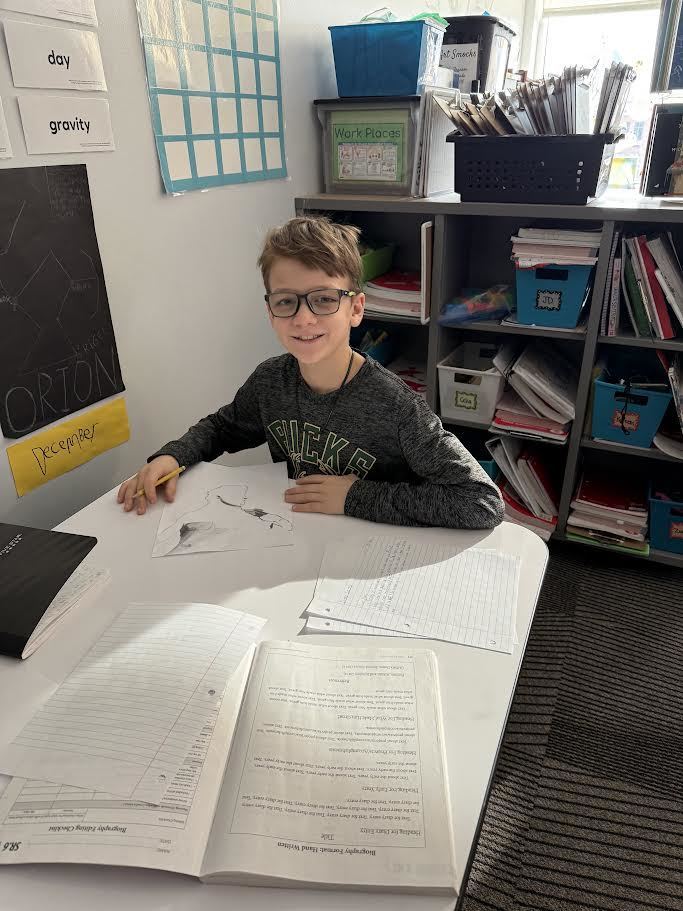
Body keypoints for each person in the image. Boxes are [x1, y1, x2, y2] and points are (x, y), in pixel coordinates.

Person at [117, 216, 504, 529]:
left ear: (355, 309)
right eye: (286, 301)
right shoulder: (271, 382)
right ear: (270, 312)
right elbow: (222, 427)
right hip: (299, 538)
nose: (303, 318)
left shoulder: (396, 407)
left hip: (371, 554)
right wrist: (172, 456)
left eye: (323, 299)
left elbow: (480, 501)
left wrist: (354, 498)